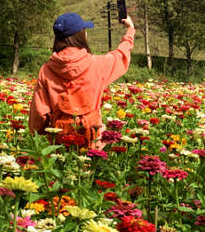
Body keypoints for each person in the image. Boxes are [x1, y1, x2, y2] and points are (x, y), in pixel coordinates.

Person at [28, 11, 134, 148]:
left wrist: (38, 131)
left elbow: (39, 114)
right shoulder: (97, 64)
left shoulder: (46, 70)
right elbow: (121, 56)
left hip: (60, 144)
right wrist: (130, 30)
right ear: (81, 35)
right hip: (93, 144)